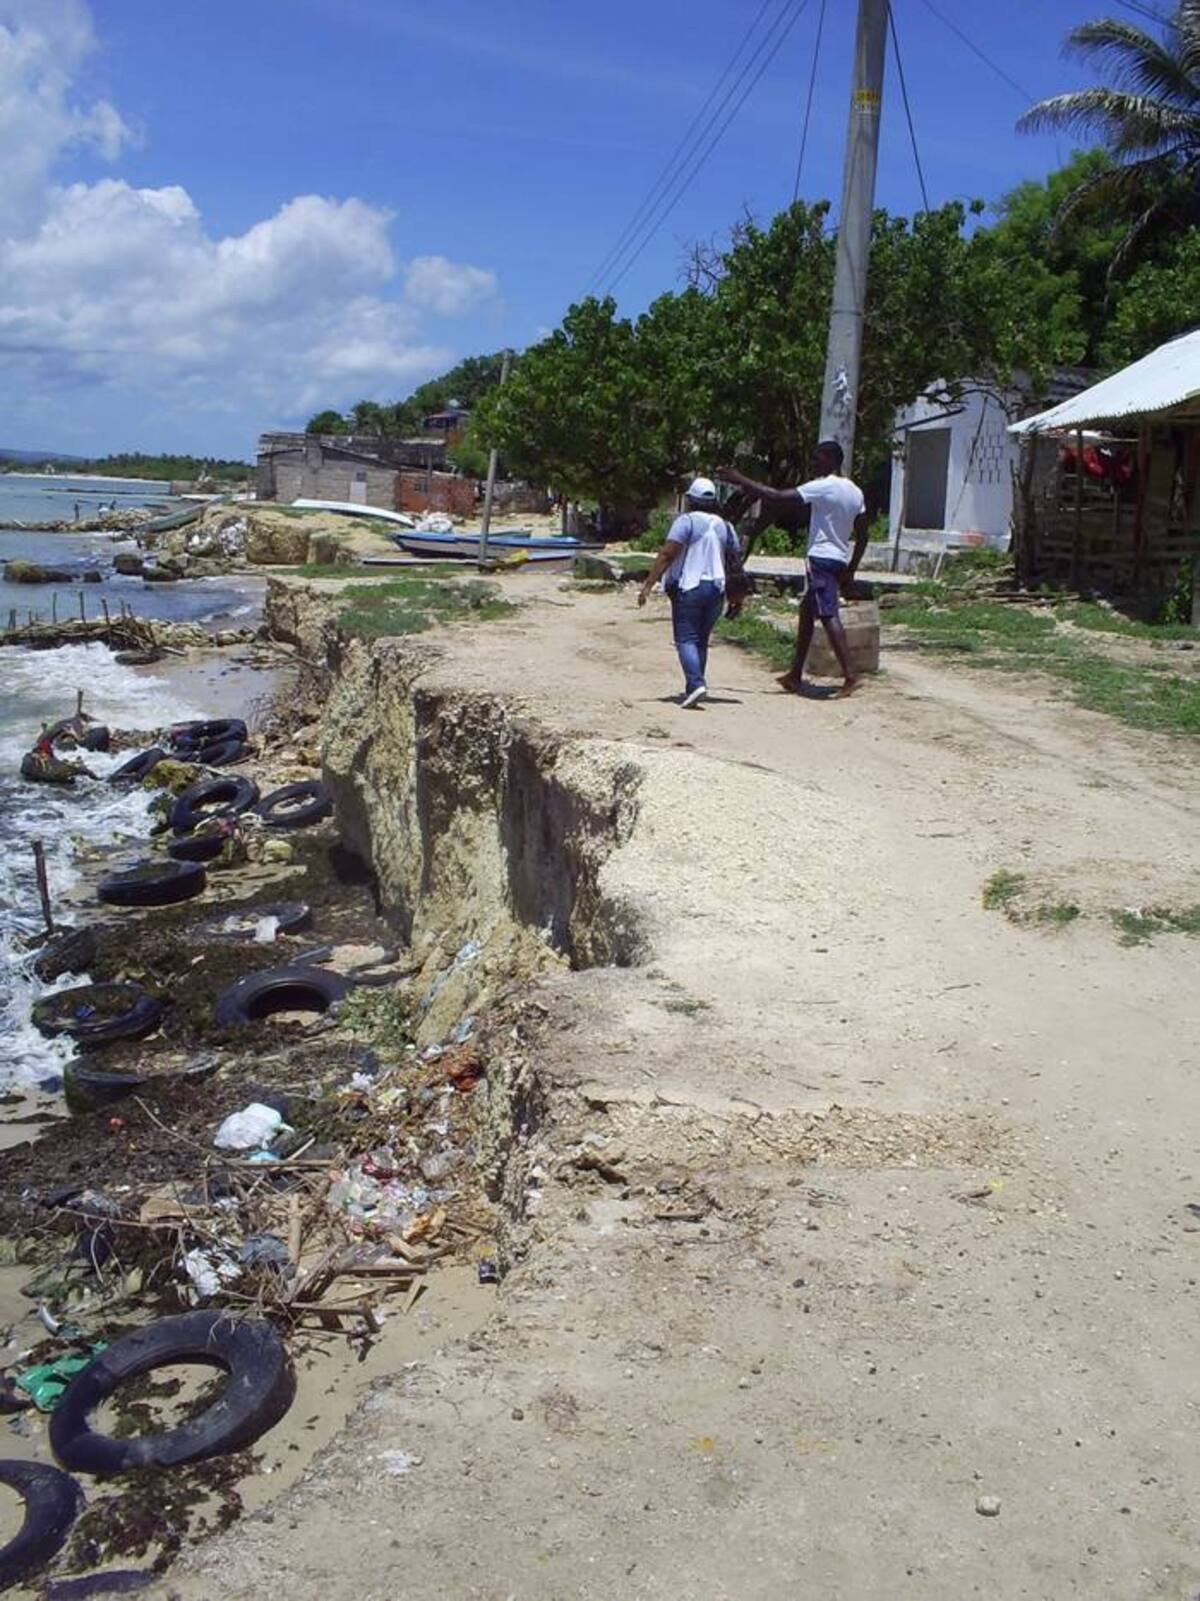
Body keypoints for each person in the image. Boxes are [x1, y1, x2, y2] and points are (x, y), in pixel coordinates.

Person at [720, 441, 870, 697]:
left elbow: (778, 497)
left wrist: (740, 479)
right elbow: (863, 534)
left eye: (817, 459)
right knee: (806, 612)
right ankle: (795, 673)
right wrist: (851, 569)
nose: (812, 464)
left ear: (831, 460)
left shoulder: (824, 486)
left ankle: (851, 676)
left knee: (827, 613)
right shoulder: (855, 492)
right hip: (838, 559)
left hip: (820, 559)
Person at [637, 476, 744, 709]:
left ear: (691, 500)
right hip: (716, 589)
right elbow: (735, 562)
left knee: (685, 638)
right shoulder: (726, 527)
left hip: (689, 588)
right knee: (701, 640)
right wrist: (738, 597)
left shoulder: (686, 522)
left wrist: (648, 584)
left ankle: (696, 683)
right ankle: (694, 687)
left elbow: (667, 554)